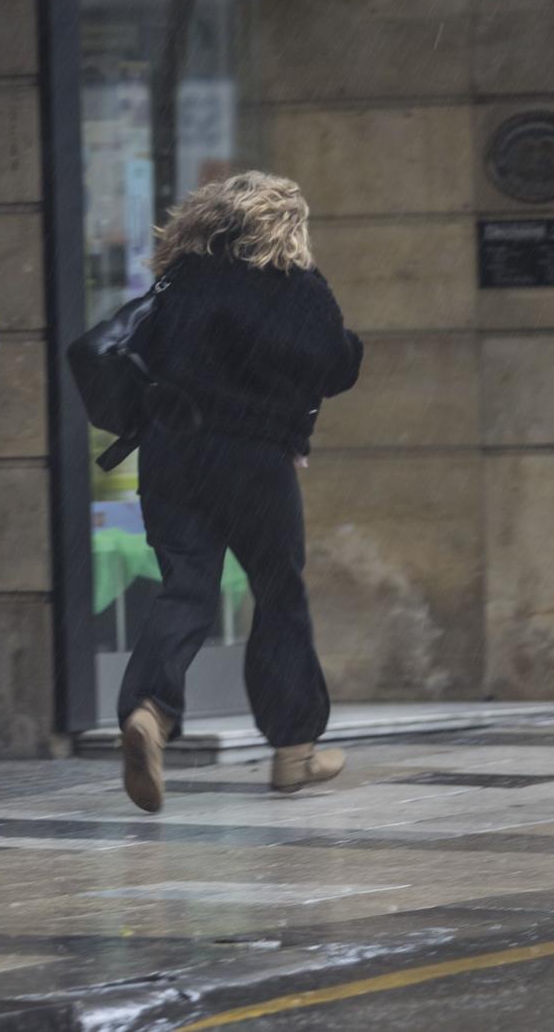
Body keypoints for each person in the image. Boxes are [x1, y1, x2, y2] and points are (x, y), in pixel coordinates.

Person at [115, 171, 363, 813]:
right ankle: (292, 749)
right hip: (256, 460)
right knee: (279, 591)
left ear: (208, 220)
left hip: (173, 452)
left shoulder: (184, 281)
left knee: (187, 587)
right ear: (286, 226)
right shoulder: (298, 289)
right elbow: (337, 364)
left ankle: (150, 710)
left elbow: (142, 353)